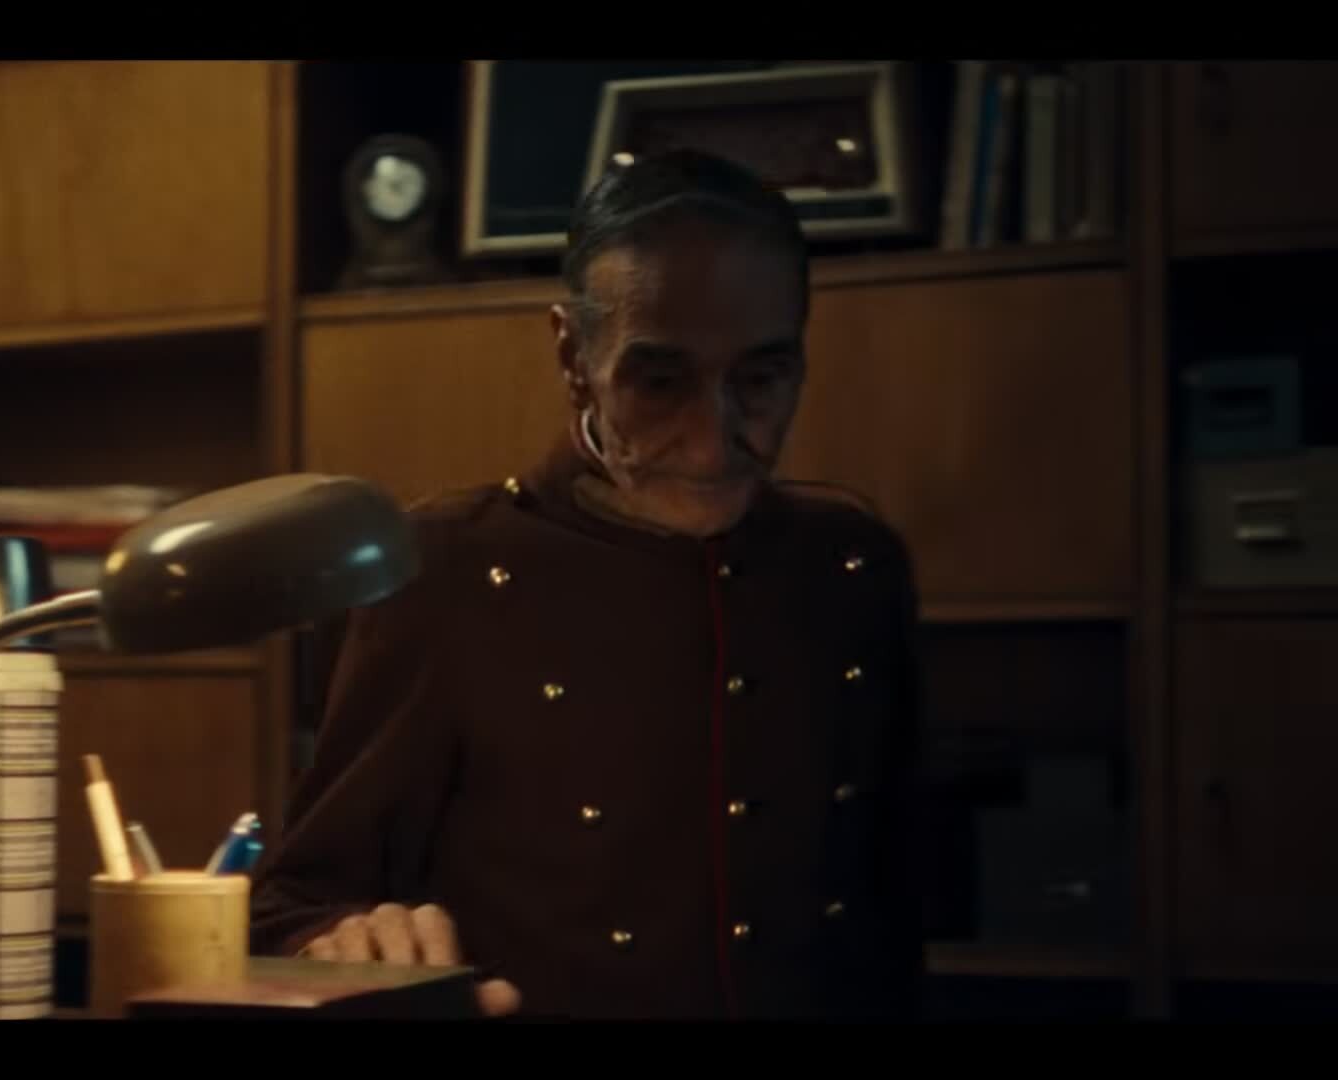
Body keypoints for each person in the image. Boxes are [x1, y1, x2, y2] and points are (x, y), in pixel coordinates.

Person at [248, 148, 926, 1021]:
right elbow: (295, 902)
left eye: (760, 379)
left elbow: (894, 918)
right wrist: (348, 940)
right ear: (573, 354)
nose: (711, 444)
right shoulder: (446, 568)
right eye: (660, 382)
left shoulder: (853, 565)